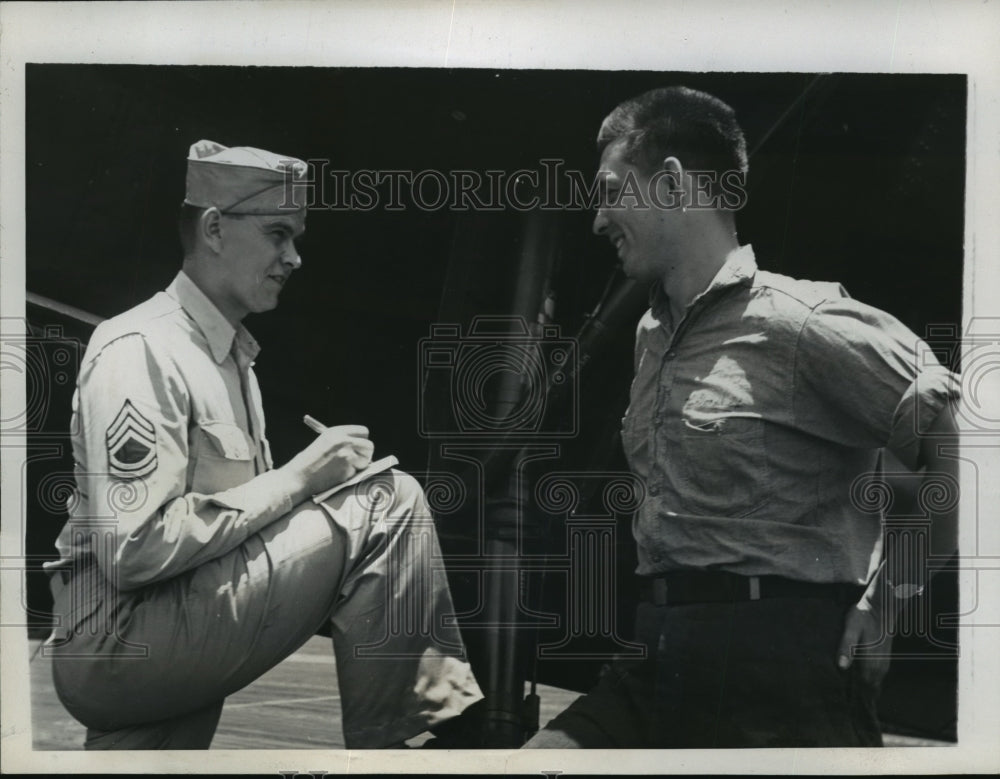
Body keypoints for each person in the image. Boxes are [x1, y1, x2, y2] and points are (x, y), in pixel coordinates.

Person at [524, 86, 960, 748]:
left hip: (780, 677)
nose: (597, 218)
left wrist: (889, 599)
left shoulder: (804, 322)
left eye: (612, 190)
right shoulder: (650, 336)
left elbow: (958, 439)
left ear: (671, 185)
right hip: (656, 655)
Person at [43, 140, 483, 749]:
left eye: (296, 237)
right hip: (122, 641)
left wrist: (316, 486)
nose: (294, 257)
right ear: (215, 229)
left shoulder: (230, 360)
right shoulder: (142, 347)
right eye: (279, 234)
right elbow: (136, 549)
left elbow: (231, 535)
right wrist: (301, 480)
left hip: (157, 632)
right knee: (389, 503)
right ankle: (408, 749)